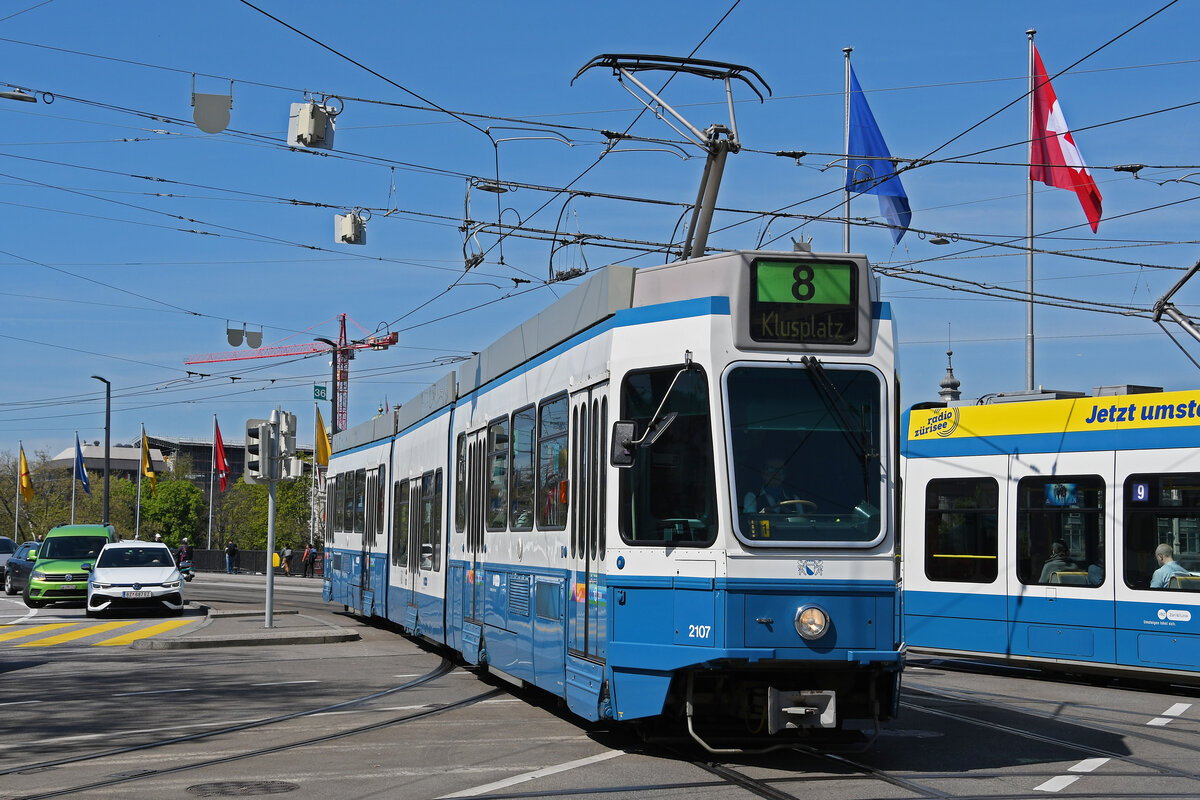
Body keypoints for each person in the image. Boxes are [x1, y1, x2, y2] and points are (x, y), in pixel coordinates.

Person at [743, 458, 809, 514]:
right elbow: (750, 524)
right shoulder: (752, 497)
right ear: (763, 473)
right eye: (771, 470)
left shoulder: (794, 499)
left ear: (784, 476)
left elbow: (802, 524)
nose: (776, 474)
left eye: (780, 470)